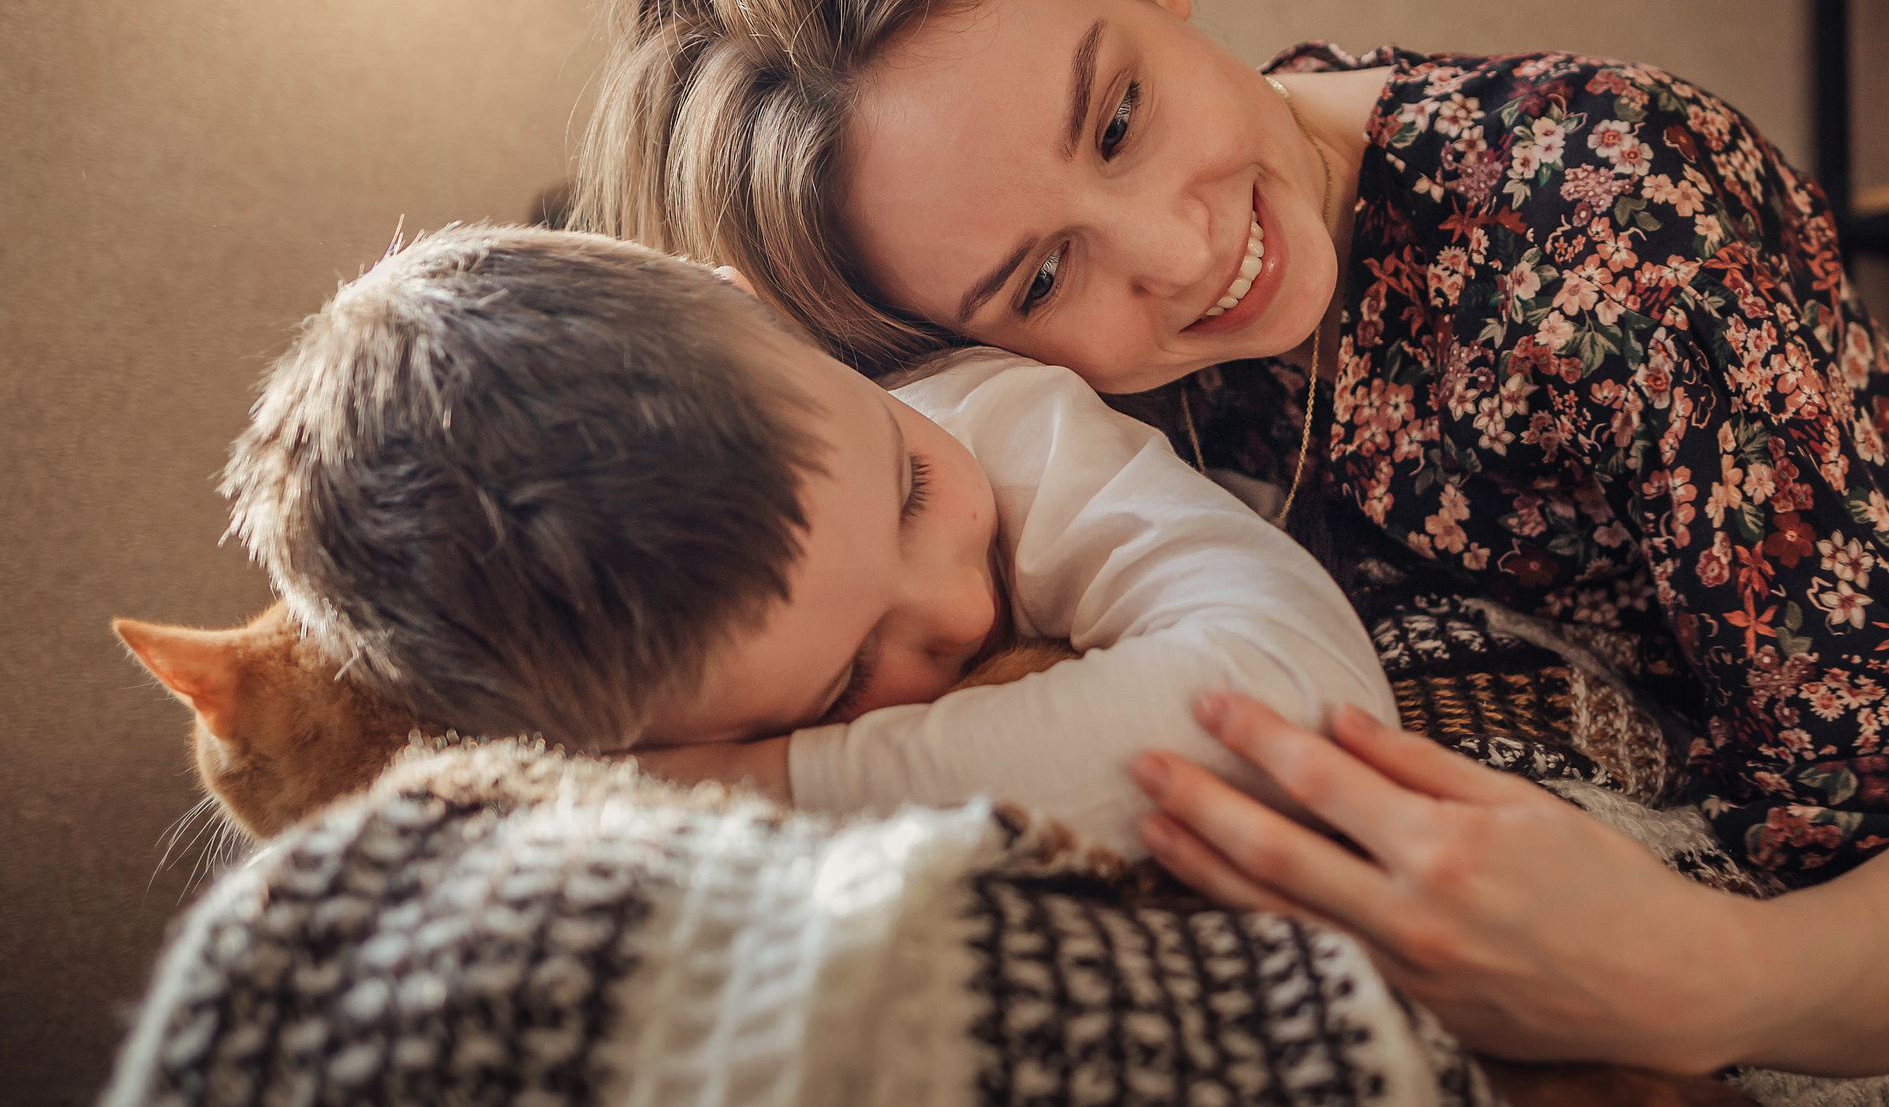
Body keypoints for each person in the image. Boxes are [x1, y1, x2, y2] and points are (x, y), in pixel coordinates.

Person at [573, 0, 1889, 1078]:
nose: (1179, 251)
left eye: (1121, 115)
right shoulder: (968, 415)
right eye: (1043, 279)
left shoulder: (1610, 226)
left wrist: (1699, 981)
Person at [221, 225, 1393, 855]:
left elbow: (1297, 710)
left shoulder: (994, 422)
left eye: (913, 494)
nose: (960, 611)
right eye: (845, 680)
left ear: (757, 308)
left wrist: (755, 779)